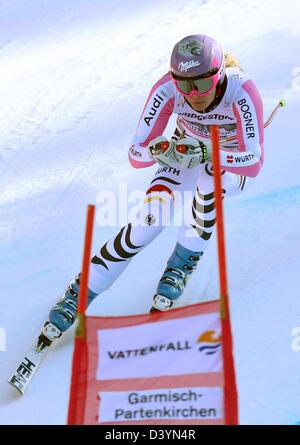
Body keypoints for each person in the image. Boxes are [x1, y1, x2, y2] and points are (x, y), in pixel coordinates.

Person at [40, 34, 264, 344]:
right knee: (150, 219)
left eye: (202, 84)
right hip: (183, 152)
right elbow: (136, 154)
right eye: (184, 84)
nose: (193, 94)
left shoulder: (242, 91)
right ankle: (82, 290)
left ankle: (180, 266)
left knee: (209, 184)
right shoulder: (166, 89)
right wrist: (159, 149)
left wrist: (208, 152)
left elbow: (252, 162)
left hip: (228, 161)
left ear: (220, 74)